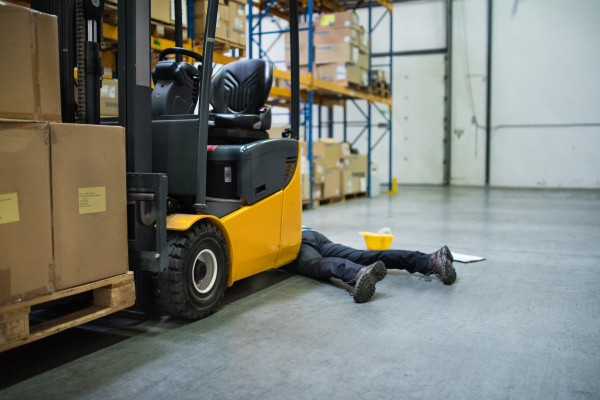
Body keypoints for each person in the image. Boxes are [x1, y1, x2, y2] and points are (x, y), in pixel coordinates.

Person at [283, 228, 456, 303]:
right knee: (363, 255)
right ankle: (431, 260)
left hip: (288, 242)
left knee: (316, 264)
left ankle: (358, 273)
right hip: (311, 234)